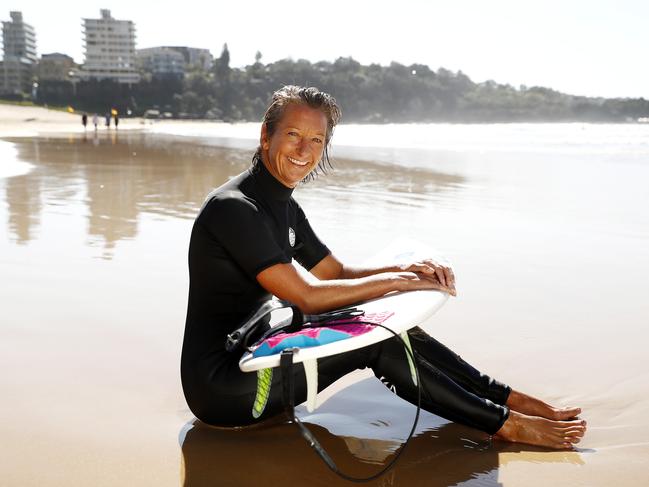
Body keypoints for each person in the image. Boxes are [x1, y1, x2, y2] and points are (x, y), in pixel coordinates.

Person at [181, 85, 586, 450]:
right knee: (378, 338)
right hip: (227, 392)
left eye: (316, 139)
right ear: (265, 136)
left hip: (255, 352)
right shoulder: (235, 209)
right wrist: (394, 283)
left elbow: (333, 274)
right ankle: (506, 424)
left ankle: (504, 397)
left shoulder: (282, 204)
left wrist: (405, 270)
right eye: (293, 135)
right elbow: (304, 295)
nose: (304, 150)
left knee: (379, 318)